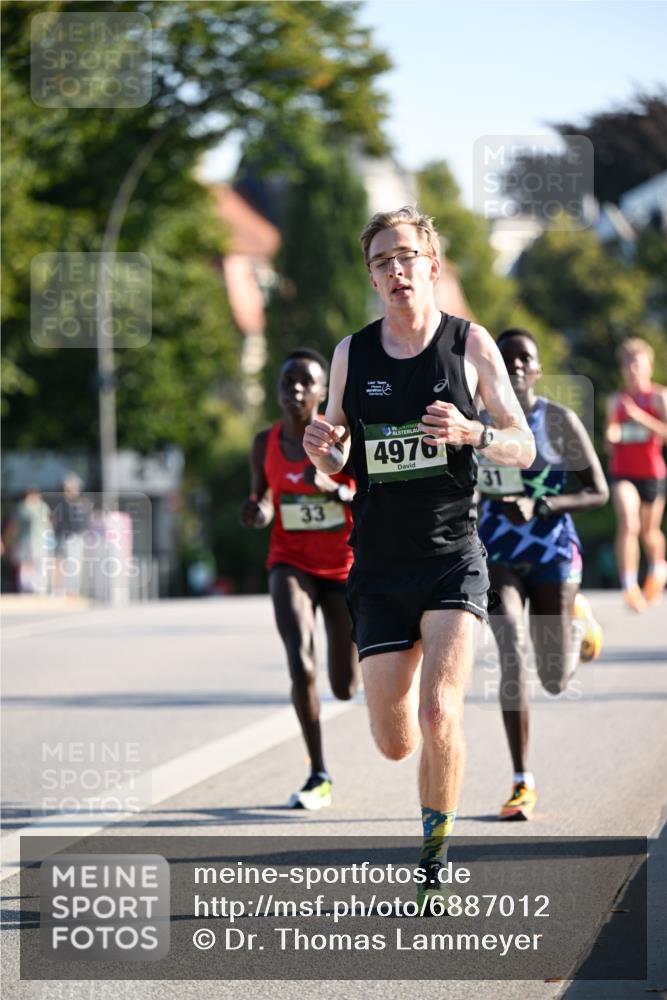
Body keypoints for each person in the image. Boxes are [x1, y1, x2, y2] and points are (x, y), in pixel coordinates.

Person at [303, 207, 535, 907]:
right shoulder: (352, 353)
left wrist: (471, 430)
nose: (396, 270)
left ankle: (433, 863)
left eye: (406, 257)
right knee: (395, 740)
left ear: (431, 266)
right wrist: (326, 453)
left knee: (440, 714)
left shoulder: (470, 345)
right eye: (382, 261)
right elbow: (338, 455)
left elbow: (522, 446)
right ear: (372, 277)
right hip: (375, 566)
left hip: (449, 555)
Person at [478, 328, 609, 820]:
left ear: (536, 370)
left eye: (524, 359)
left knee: (554, 679)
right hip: (497, 557)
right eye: (505, 358)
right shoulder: (478, 423)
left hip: (553, 552)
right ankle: (521, 780)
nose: (514, 366)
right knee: (511, 654)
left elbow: (598, 490)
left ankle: (579, 624)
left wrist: (542, 503)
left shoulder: (557, 421)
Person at [240, 348, 359, 810]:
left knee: (345, 685)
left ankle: (351, 687)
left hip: (342, 568)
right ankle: (318, 772)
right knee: (301, 662)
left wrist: (336, 485)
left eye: (304, 382)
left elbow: (363, 491)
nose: (294, 390)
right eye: (286, 381)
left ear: (322, 393)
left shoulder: (341, 441)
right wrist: (257, 511)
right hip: (289, 561)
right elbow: (263, 499)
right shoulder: (263, 443)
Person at [606, 338, 667, 612]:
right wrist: (612, 435)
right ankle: (629, 584)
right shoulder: (616, 400)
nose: (633, 370)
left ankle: (657, 568)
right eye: (628, 364)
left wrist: (640, 418)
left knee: (649, 532)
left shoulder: (658, 397)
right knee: (629, 523)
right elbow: (611, 435)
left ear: (648, 366)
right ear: (622, 368)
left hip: (652, 474)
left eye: (638, 364)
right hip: (623, 473)